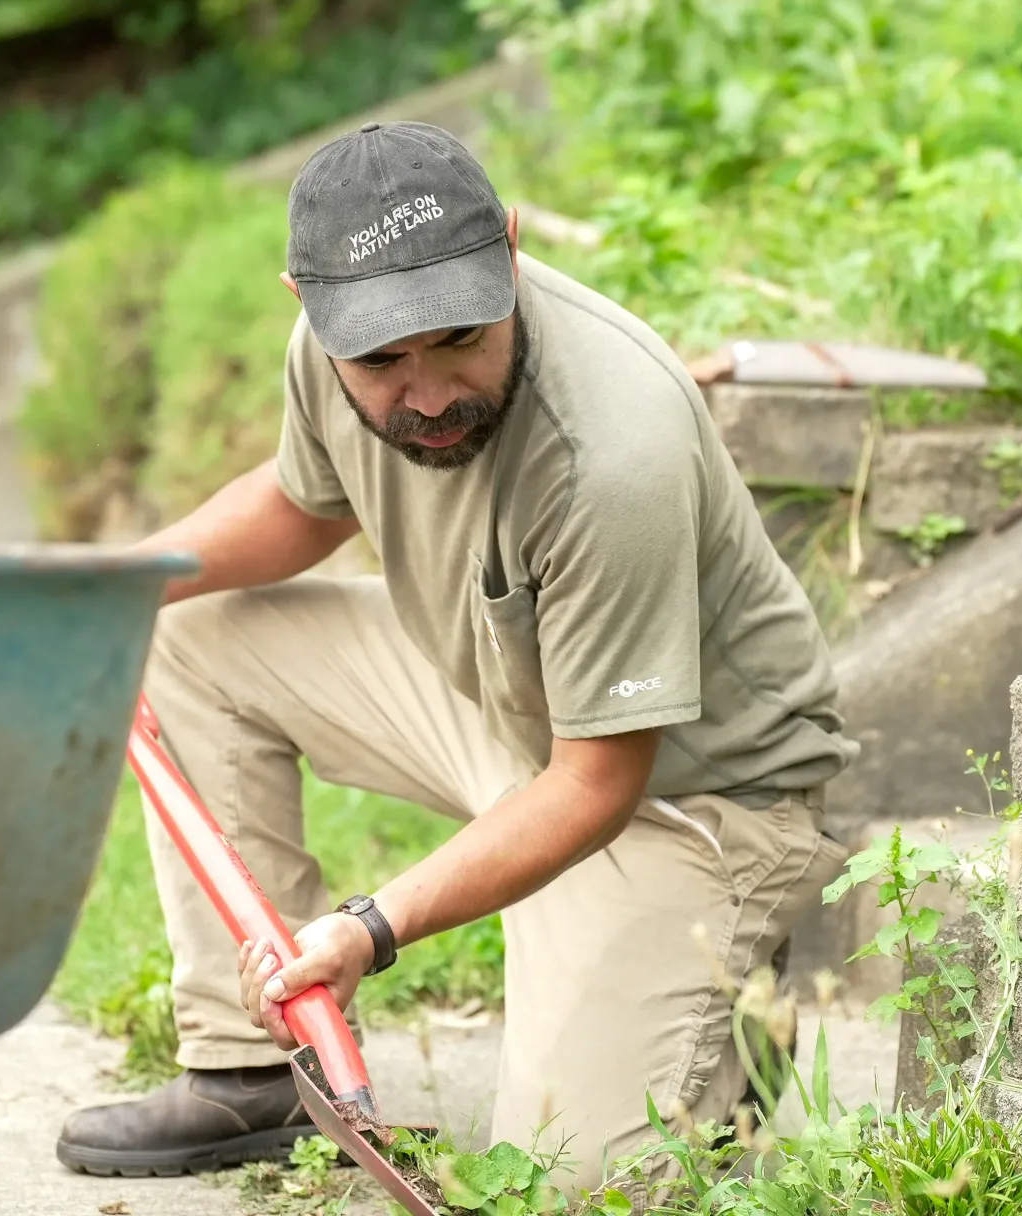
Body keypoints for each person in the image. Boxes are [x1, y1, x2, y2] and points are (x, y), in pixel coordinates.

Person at [55, 119, 855, 1190]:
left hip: (688, 800)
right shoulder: (335, 341)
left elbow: (595, 783)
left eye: (461, 341)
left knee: (573, 1184)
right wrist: (96, 593)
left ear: (510, 251)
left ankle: (730, 1005)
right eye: (382, 360)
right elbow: (301, 506)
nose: (427, 395)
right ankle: (256, 1075)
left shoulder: (613, 453)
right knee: (184, 633)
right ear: (310, 302)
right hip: (505, 701)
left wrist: (369, 928)